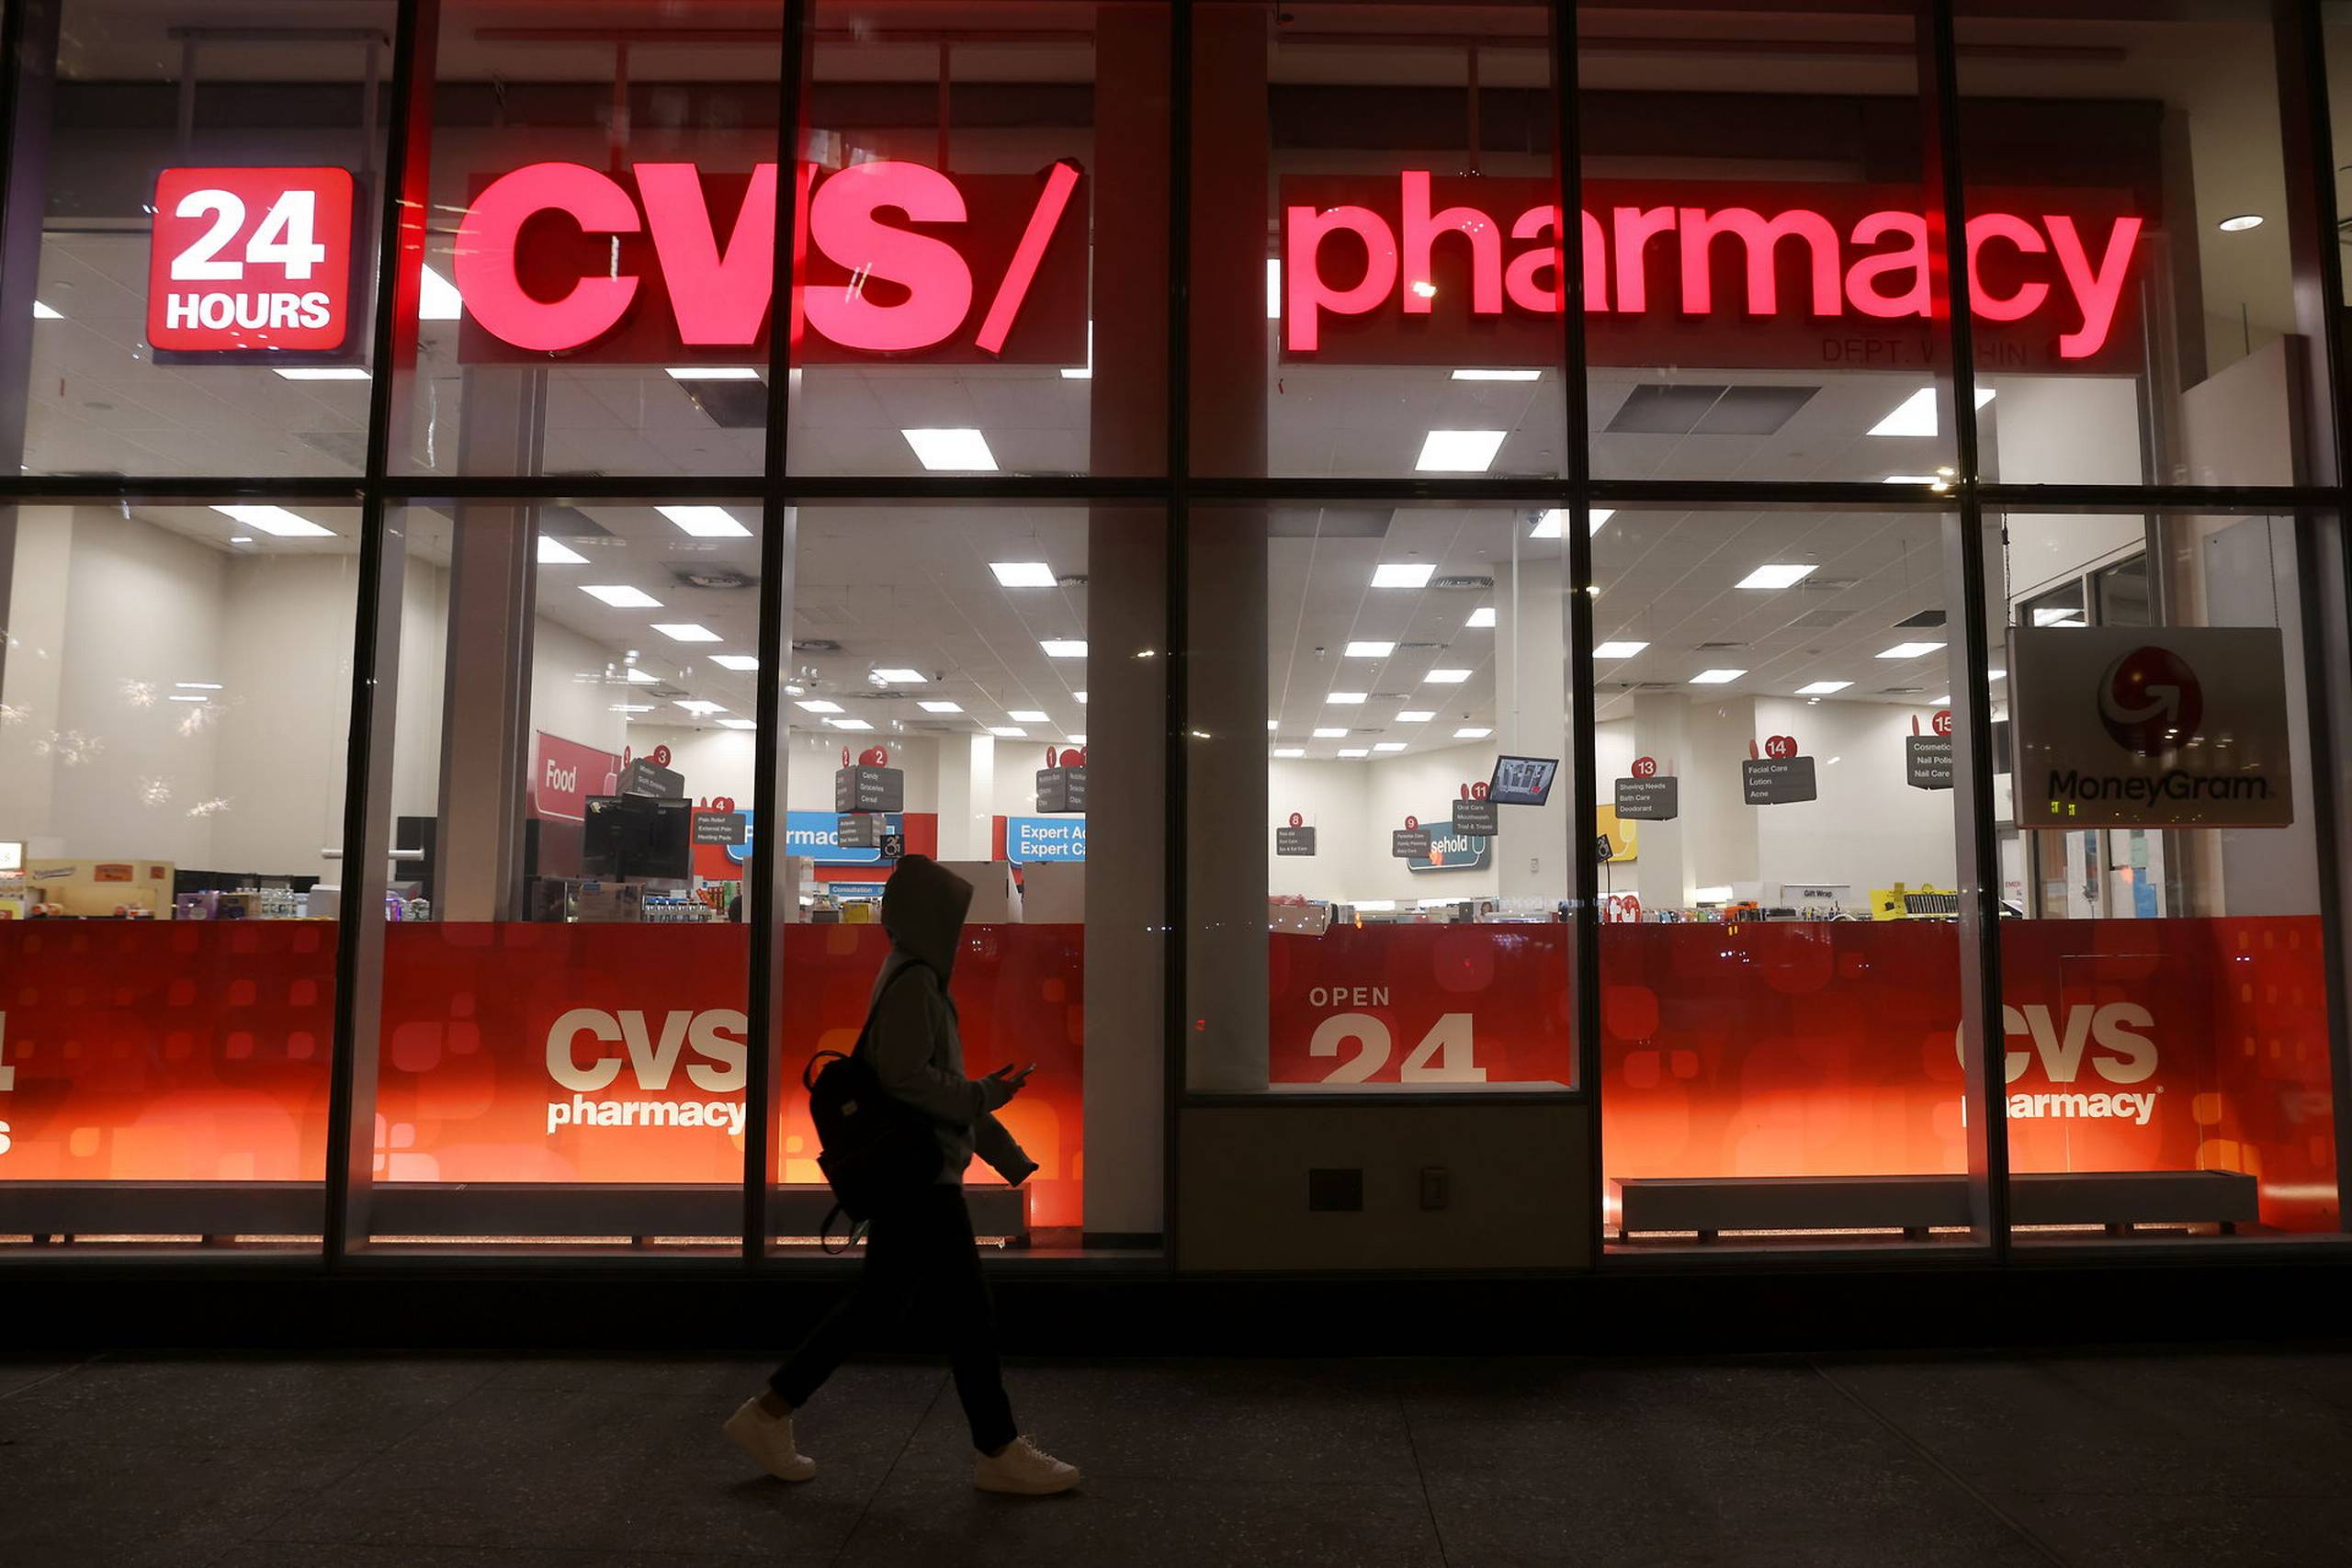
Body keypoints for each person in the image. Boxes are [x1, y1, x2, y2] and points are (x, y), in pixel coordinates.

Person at [723, 854, 1080, 1496]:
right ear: (929, 920)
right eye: (952, 919)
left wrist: (1005, 1149)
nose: (960, 934)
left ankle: (769, 1412)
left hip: (915, 1173)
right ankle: (997, 1449)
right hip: (921, 1178)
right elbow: (911, 1080)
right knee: (968, 1313)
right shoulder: (917, 981)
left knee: (882, 1303)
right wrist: (986, 1096)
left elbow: (932, 1083)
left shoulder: (910, 974)